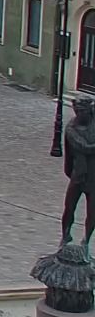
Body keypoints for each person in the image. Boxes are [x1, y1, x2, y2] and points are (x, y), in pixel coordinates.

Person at [63, 97, 95, 246]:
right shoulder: (71, 129)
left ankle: (86, 241)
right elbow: (83, 148)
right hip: (78, 174)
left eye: (82, 111)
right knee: (69, 207)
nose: (78, 114)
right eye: (77, 111)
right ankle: (65, 236)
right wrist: (70, 172)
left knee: (92, 212)